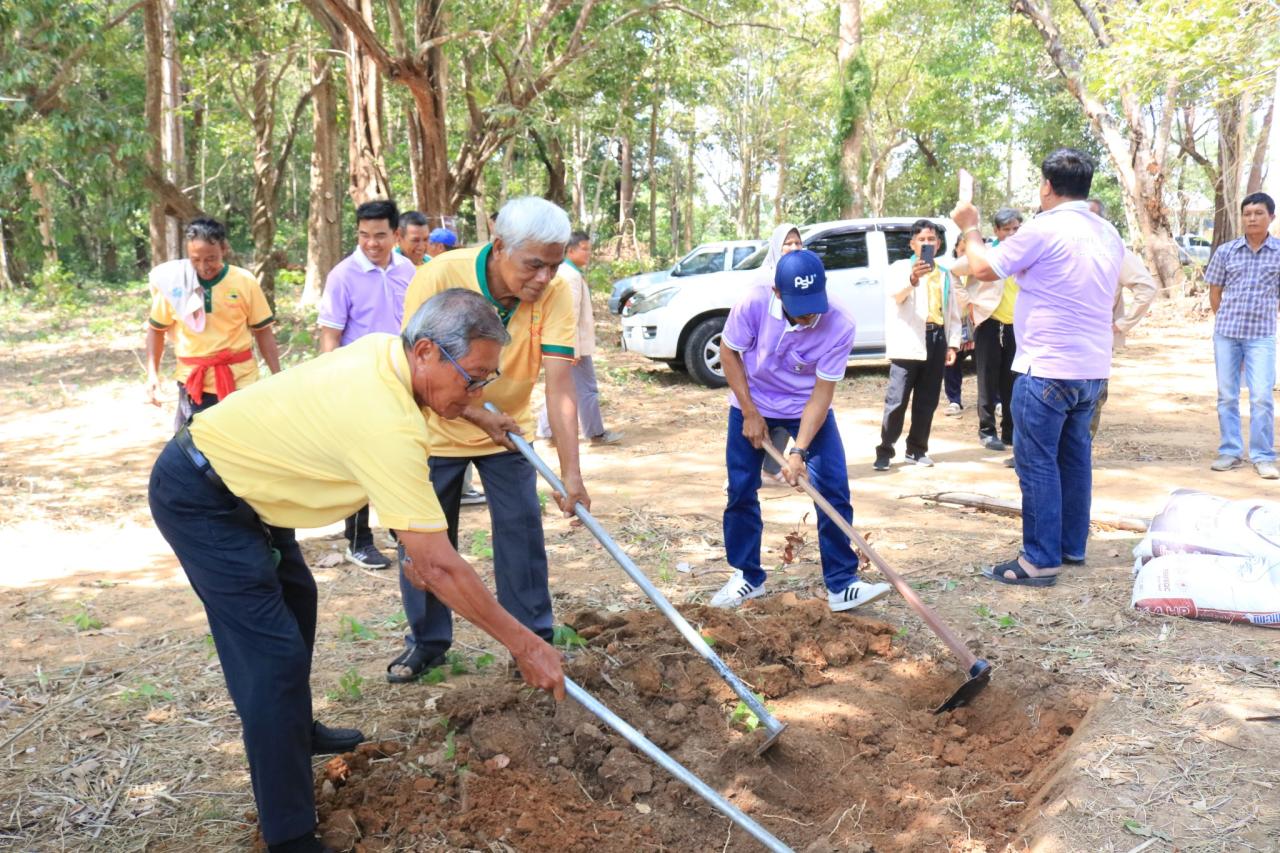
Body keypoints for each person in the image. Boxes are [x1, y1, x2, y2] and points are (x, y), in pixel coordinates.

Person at [148, 288, 566, 853]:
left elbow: (426, 549)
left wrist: (478, 412)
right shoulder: (387, 422)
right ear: (424, 352)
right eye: (473, 378)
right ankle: (290, 833)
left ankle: (296, 732)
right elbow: (439, 567)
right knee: (270, 660)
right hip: (203, 496)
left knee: (298, 602)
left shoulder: (384, 355)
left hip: (252, 489)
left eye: (485, 380)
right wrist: (525, 645)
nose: (477, 389)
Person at [389, 196, 589, 683]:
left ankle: (533, 639)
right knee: (426, 542)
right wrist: (477, 414)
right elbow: (416, 367)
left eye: (554, 265)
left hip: (507, 432)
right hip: (435, 428)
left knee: (521, 534)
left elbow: (561, 385)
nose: (543, 278)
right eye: (533, 265)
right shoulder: (440, 275)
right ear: (499, 246)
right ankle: (428, 643)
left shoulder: (557, 290)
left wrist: (571, 473)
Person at [953, 147, 1123, 587]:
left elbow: (981, 267)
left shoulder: (1043, 229)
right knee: (1075, 458)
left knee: (1037, 462)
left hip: (1046, 367)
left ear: (1047, 187)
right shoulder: (1108, 233)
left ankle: (1039, 560)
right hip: (1092, 368)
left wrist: (970, 226)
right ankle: (1069, 546)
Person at [712, 249, 891, 611]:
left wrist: (798, 452)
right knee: (741, 489)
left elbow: (822, 394)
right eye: (800, 305)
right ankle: (747, 576)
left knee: (833, 490)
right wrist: (749, 411)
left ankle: (842, 583)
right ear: (778, 294)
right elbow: (728, 353)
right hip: (753, 402)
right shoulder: (754, 301)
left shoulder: (840, 323)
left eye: (815, 303)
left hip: (805, 406)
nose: (810, 314)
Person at [318, 199, 418, 570]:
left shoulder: (408, 269)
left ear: (396, 234)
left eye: (379, 235)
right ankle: (358, 539)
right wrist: (330, 384)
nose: (371, 243)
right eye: (363, 235)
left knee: (399, 456)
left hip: (402, 378)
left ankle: (400, 528)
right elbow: (331, 334)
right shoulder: (343, 275)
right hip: (357, 381)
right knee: (359, 461)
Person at [145, 218, 281, 432]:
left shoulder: (244, 281)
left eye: (211, 258)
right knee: (196, 454)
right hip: (193, 384)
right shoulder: (176, 285)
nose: (203, 266)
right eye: (195, 259)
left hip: (241, 381)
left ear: (224, 249)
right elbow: (156, 330)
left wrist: (278, 375)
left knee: (243, 445)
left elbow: (263, 331)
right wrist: (152, 374)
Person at [874, 219, 961, 470]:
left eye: (931, 240)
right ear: (912, 243)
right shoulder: (900, 268)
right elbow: (896, 294)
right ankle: (885, 450)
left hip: (936, 339)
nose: (926, 243)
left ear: (939, 244)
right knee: (897, 399)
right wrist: (913, 278)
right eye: (921, 239)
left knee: (927, 399)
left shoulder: (944, 274)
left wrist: (952, 344)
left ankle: (917, 449)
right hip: (908, 339)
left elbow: (952, 311)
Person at [1205, 192, 1280, 479]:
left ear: (1270, 217)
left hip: (1261, 336)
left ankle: (1262, 456)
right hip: (1226, 335)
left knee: (1261, 396)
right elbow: (1215, 291)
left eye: (1258, 213)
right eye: (1247, 213)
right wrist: (1224, 320)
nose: (1252, 218)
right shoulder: (1226, 251)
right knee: (1227, 396)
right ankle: (1230, 451)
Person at [535, 230, 623, 445]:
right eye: (584, 249)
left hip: (563, 344)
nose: (588, 254)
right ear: (571, 250)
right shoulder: (570, 276)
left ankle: (547, 431)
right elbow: (570, 313)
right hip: (573, 346)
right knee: (587, 389)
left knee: (558, 385)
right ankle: (595, 433)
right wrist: (572, 348)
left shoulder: (565, 273)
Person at [1086, 198, 1158, 438]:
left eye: (1091, 215)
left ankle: (1077, 456)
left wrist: (1121, 324)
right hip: (1056, 341)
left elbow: (1146, 288)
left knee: (1090, 399)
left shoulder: (1115, 252)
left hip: (1095, 341)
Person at [942, 240, 976, 417]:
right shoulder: (948, 270)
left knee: (986, 365)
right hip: (957, 322)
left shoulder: (982, 268)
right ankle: (954, 400)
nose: (964, 254)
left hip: (977, 322)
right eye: (962, 250)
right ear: (955, 249)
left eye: (968, 250)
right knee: (951, 364)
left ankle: (996, 401)